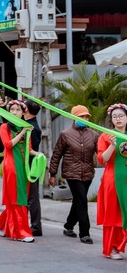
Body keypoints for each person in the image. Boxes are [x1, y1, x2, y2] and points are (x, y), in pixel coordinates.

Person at [48, 105, 98, 244]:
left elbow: (101, 153)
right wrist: (52, 174)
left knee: (78, 201)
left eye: (86, 116)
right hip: (71, 173)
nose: (84, 119)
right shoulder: (65, 134)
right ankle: (85, 233)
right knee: (82, 200)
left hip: (87, 174)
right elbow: (56, 155)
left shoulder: (93, 135)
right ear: (74, 117)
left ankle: (68, 226)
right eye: (81, 116)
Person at [0, 100, 36, 242]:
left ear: (23, 113)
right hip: (11, 166)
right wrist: (23, 132)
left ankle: (1, 221)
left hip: (23, 166)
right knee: (18, 198)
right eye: (12, 109)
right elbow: (7, 145)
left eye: (17, 110)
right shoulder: (5, 127)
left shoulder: (26, 127)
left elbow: (29, 150)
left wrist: (39, 155)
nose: (14, 112)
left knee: (19, 197)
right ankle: (21, 232)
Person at [96, 103, 127, 260]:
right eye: (115, 117)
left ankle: (122, 244)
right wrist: (112, 146)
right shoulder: (106, 136)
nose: (118, 119)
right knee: (114, 214)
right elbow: (102, 159)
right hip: (113, 180)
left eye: (121, 115)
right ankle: (113, 247)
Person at [22, 99, 43, 236]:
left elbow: (30, 148)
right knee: (29, 196)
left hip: (30, 165)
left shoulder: (32, 128)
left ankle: (36, 227)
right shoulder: (29, 125)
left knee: (32, 197)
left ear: (26, 110)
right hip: (28, 164)